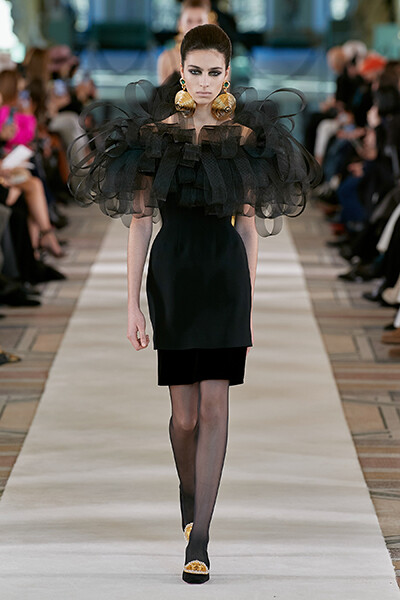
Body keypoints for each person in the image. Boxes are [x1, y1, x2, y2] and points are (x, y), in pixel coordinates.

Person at [69, 23, 320, 585]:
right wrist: (131, 304)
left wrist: (248, 303)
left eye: (214, 72)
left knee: (213, 409)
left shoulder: (247, 140)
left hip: (224, 278)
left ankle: (200, 536)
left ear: (228, 75)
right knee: (183, 418)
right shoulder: (152, 138)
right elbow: (139, 224)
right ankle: (190, 495)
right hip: (174, 278)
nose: (205, 82)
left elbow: (249, 228)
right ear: (180, 71)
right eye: (195, 70)